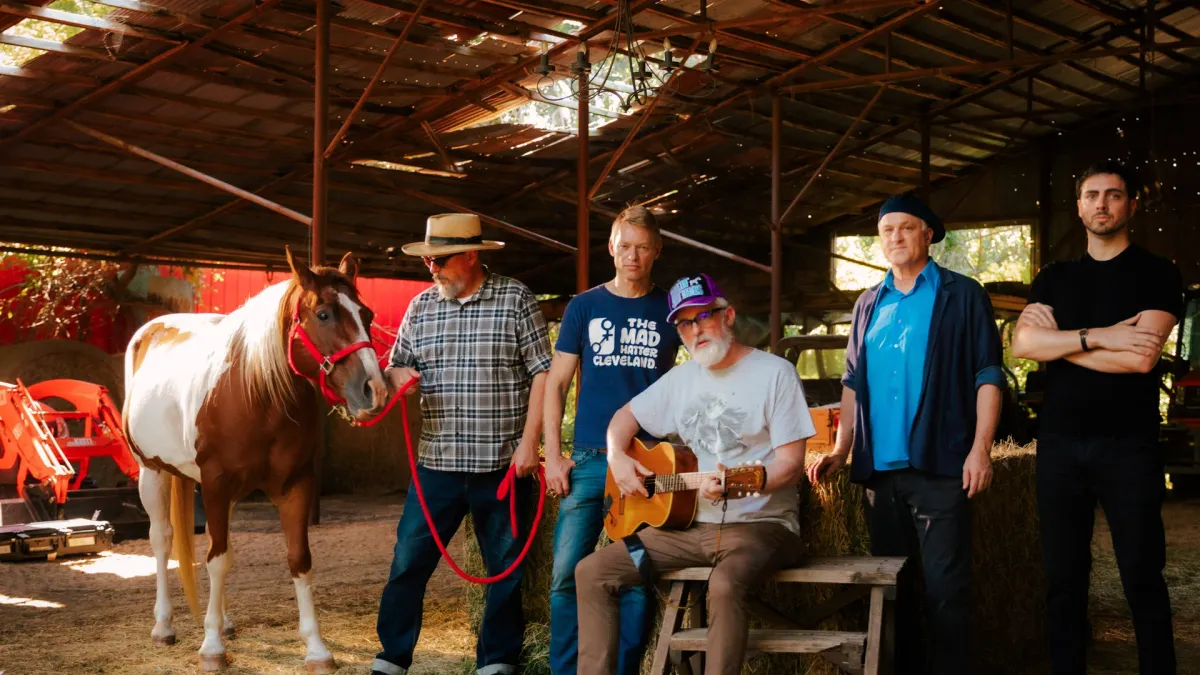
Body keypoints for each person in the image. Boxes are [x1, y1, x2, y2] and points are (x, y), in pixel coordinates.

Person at [574, 273, 815, 675]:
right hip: (685, 531)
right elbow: (623, 418)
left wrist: (744, 484)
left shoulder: (775, 374)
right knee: (593, 571)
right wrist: (617, 456)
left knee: (724, 585)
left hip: (761, 526)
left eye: (703, 316)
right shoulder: (681, 381)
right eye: (684, 323)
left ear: (729, 315)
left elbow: (790, 467)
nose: (695, 329)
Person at [808, 193, 1005, 675]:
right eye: (887, 230)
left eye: (906, 227)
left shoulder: (962, 294)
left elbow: (988, 374)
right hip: (881, 475)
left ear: (928, 233)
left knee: (945, 591)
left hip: (941, 466)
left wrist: (981, 449)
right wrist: (841, 449)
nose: (895, 237)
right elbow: (852, 381)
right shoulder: (868, 304)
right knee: (893, 591)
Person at [1012, 160, 1182, 675]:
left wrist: (1060, 345)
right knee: (1063, 578)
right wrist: (1101, 335)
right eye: (1091, 194)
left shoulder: (1157, 273)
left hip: (1129, 446)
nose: (1102, 203)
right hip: (1060, 446)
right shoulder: (1054, 276)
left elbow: (1141, 358)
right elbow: (1022, 343)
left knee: (1141, 574)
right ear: (1079, 206)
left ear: (1131, 205)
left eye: (1113, 194)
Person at [372, 213, 553, 675]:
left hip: (502, 466)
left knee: (505, 571)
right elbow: (398, 368)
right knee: (407, 562)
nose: (432, 269)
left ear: (472, 255)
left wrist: (530, 443)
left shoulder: (515, 299)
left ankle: (496, 663)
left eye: (440, 260)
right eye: (428, 260)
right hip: (436, 465)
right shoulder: (420, 307)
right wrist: (398, 380)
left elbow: (544, 374)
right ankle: (392, 658)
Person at [543, 206, 682, 675]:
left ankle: (622, 669)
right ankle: (564, 671)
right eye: (625, 246)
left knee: (637, 574)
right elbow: (556, 384)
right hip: (587, 461)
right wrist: (552, 456)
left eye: (643, 247)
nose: (633, 256)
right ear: (611, 247)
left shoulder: (670, 309)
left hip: (646, 464)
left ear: (656, 251)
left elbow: (700, 371)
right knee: (566, 574)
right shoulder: (584, 306)